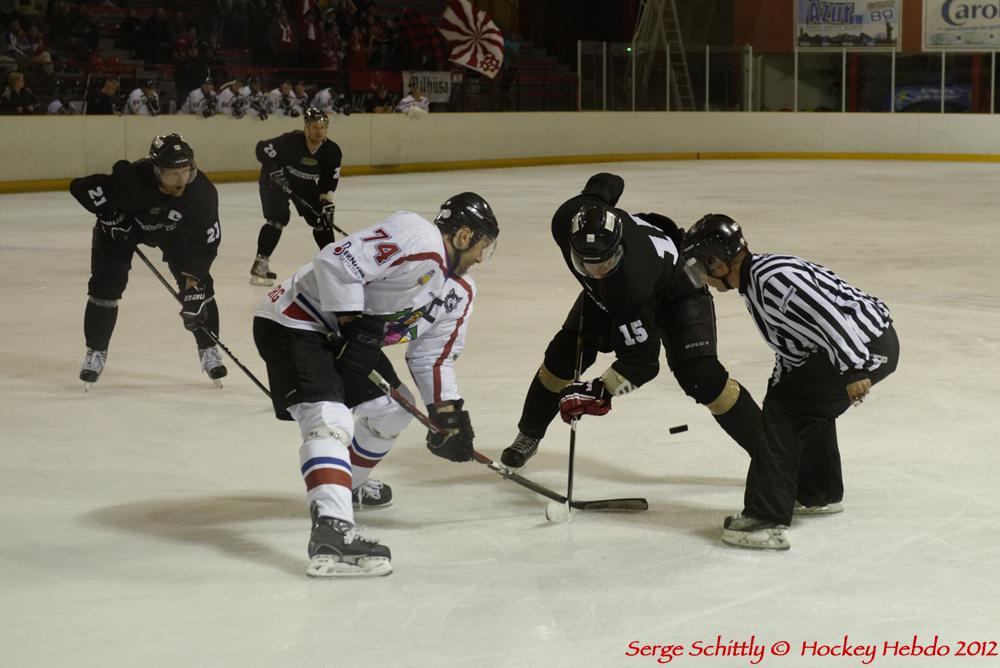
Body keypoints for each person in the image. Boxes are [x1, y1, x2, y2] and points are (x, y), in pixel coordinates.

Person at [252, 192, 499, 577]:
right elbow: (335, 260)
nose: (482, 258)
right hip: (295, 321)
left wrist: (447, 414)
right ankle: (332, 531)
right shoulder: (418, 236)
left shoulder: (460, 291)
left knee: (393, 410)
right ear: (464, 236)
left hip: (344, 339)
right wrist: (351, 323)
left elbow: (431, 356)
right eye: (483, 246)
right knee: (329, 420)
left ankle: (346, 484)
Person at [502, 173, 761, 470]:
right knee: (563, 355)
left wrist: (600, 391)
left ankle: (772, 455)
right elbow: (610, 181)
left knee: (703, 378)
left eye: (606, 262)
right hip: (614, 294)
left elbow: (643, 361)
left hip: (677, 296)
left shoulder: (629, 285)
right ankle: (528, 434)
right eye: (586, 264)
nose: (596, 271)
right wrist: (598, 204)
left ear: (619, 249)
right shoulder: (566, 219)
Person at [681, 214, 899, 551]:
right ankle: (819, 493)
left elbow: (829, 316)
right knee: (796, 404)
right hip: (856, 347)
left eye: (700, 267)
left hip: (865, 346)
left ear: (717, 263)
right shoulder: (757, 284)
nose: (702, 278)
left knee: (785, 410)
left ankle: (764, 519)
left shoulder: (772, 279)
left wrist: (853, 368)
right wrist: (779, 385)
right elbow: (795, 347)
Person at [69, 134, 228, 389]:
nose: (181, 180)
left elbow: (206, 245)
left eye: (186, 171)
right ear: (157, 170)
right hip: (124, 232)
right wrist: (110, 216)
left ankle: (209, 349)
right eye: (173, 174)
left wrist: (192, 287)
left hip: (173, 234)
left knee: (201, 291)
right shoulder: (130, 179)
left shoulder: (202, 194)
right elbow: (80, 187)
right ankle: (95, 351)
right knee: (106, 285)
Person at [250, 107, 343, 286]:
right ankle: (260, 264)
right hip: (275, 181)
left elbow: (329, 180)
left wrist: (325, 200)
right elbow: (261, 148)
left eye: (323, 127)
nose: (319, 132)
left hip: (304, 183)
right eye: (314, 127)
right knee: (278, 217)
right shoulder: (290, 141)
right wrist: (274, 169)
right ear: (306, 128)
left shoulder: (332, 151)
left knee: (321, 218)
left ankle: (332, 264)